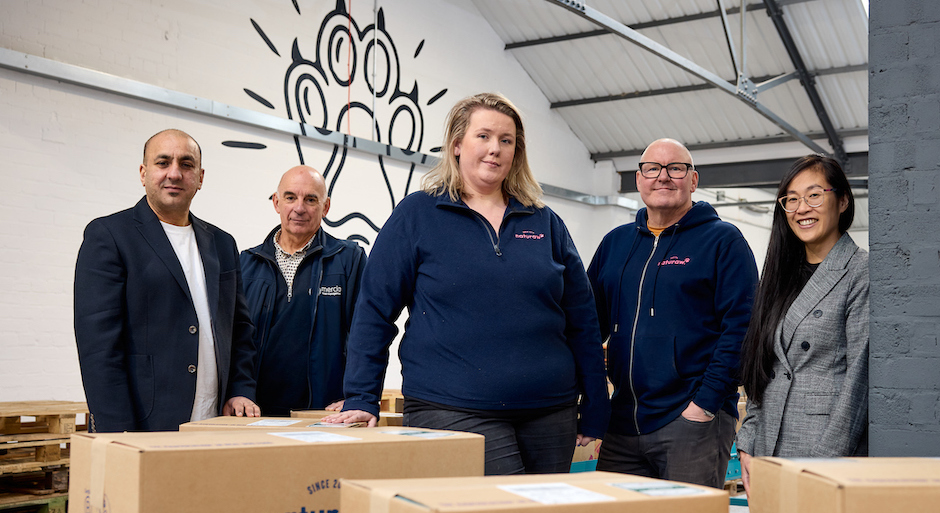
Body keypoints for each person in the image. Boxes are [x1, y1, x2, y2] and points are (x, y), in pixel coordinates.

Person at [323, 93, 610, 474]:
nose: (495, 149)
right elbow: (374, 310)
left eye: (506, 141)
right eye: (484, 137)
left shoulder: (545, 222)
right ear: (457, 145)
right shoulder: (418, 215)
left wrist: (594, 402)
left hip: (549, 412)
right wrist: (361, 395)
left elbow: (582, 319)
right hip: (451, 408)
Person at [587, 138, 758, 488]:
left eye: (675, 168)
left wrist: (703, 406)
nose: (662, 177)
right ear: (639, 180)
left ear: (693, 180)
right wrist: (592, 405)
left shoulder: (723, 241)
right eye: (652, 168)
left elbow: (742, 329)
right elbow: (588, 326)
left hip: (690, 422)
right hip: (622, 422)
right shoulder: (615, 244)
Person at [74, 129, 259, 432]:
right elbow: (99, 348)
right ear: (144, 173)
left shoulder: (222, 244)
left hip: (217, 421)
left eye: (186, 165)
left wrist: (241, 388)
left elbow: (239, 330)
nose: (174, 173)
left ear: (200, 177)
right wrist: (118, 432)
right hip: (144, 424)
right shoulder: (109, 236)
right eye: (163, 163)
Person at [735, 154, 869, 497]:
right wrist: (748, 441)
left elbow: (859, 380)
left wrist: (826, 465)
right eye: (791, 199)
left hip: (822, 450)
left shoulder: (860, 271)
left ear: (842, 201)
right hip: (768, 445)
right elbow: (762, 366)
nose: (801, 208)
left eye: (813, 195)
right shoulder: (780, 275)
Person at [240, 166, 366, 415]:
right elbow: (236, 340)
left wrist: (357, 395)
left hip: (326, 411)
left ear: (325, 206)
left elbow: (366, 334)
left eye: (310, 199)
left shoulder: (349, 260)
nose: (299, 208)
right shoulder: (246, 264)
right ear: (277, 202)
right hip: (255, 411)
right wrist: (238, 390)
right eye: (290, 197)